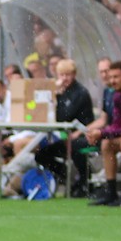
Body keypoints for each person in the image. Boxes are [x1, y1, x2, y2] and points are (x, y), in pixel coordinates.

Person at [33, 59, 94, 197]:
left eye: (68, 75)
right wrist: (53, 93)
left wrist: (55, 95)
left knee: (75, 147)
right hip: (68, 135)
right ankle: (67, 176)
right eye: (61, 75)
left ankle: (84, 182)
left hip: (84, 134)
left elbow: (66, 115)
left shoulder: (80, 93)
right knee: (41, 155)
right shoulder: (62, 92)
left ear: (74, 74)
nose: (65, 78)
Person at [86, 60, 121, 207]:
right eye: (111, 77)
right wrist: (100, 134)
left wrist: (101, 132)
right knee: (107, 143)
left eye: (116, 77)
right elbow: (117, 125)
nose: (112, 81)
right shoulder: (117, 96)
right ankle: (111, 193)